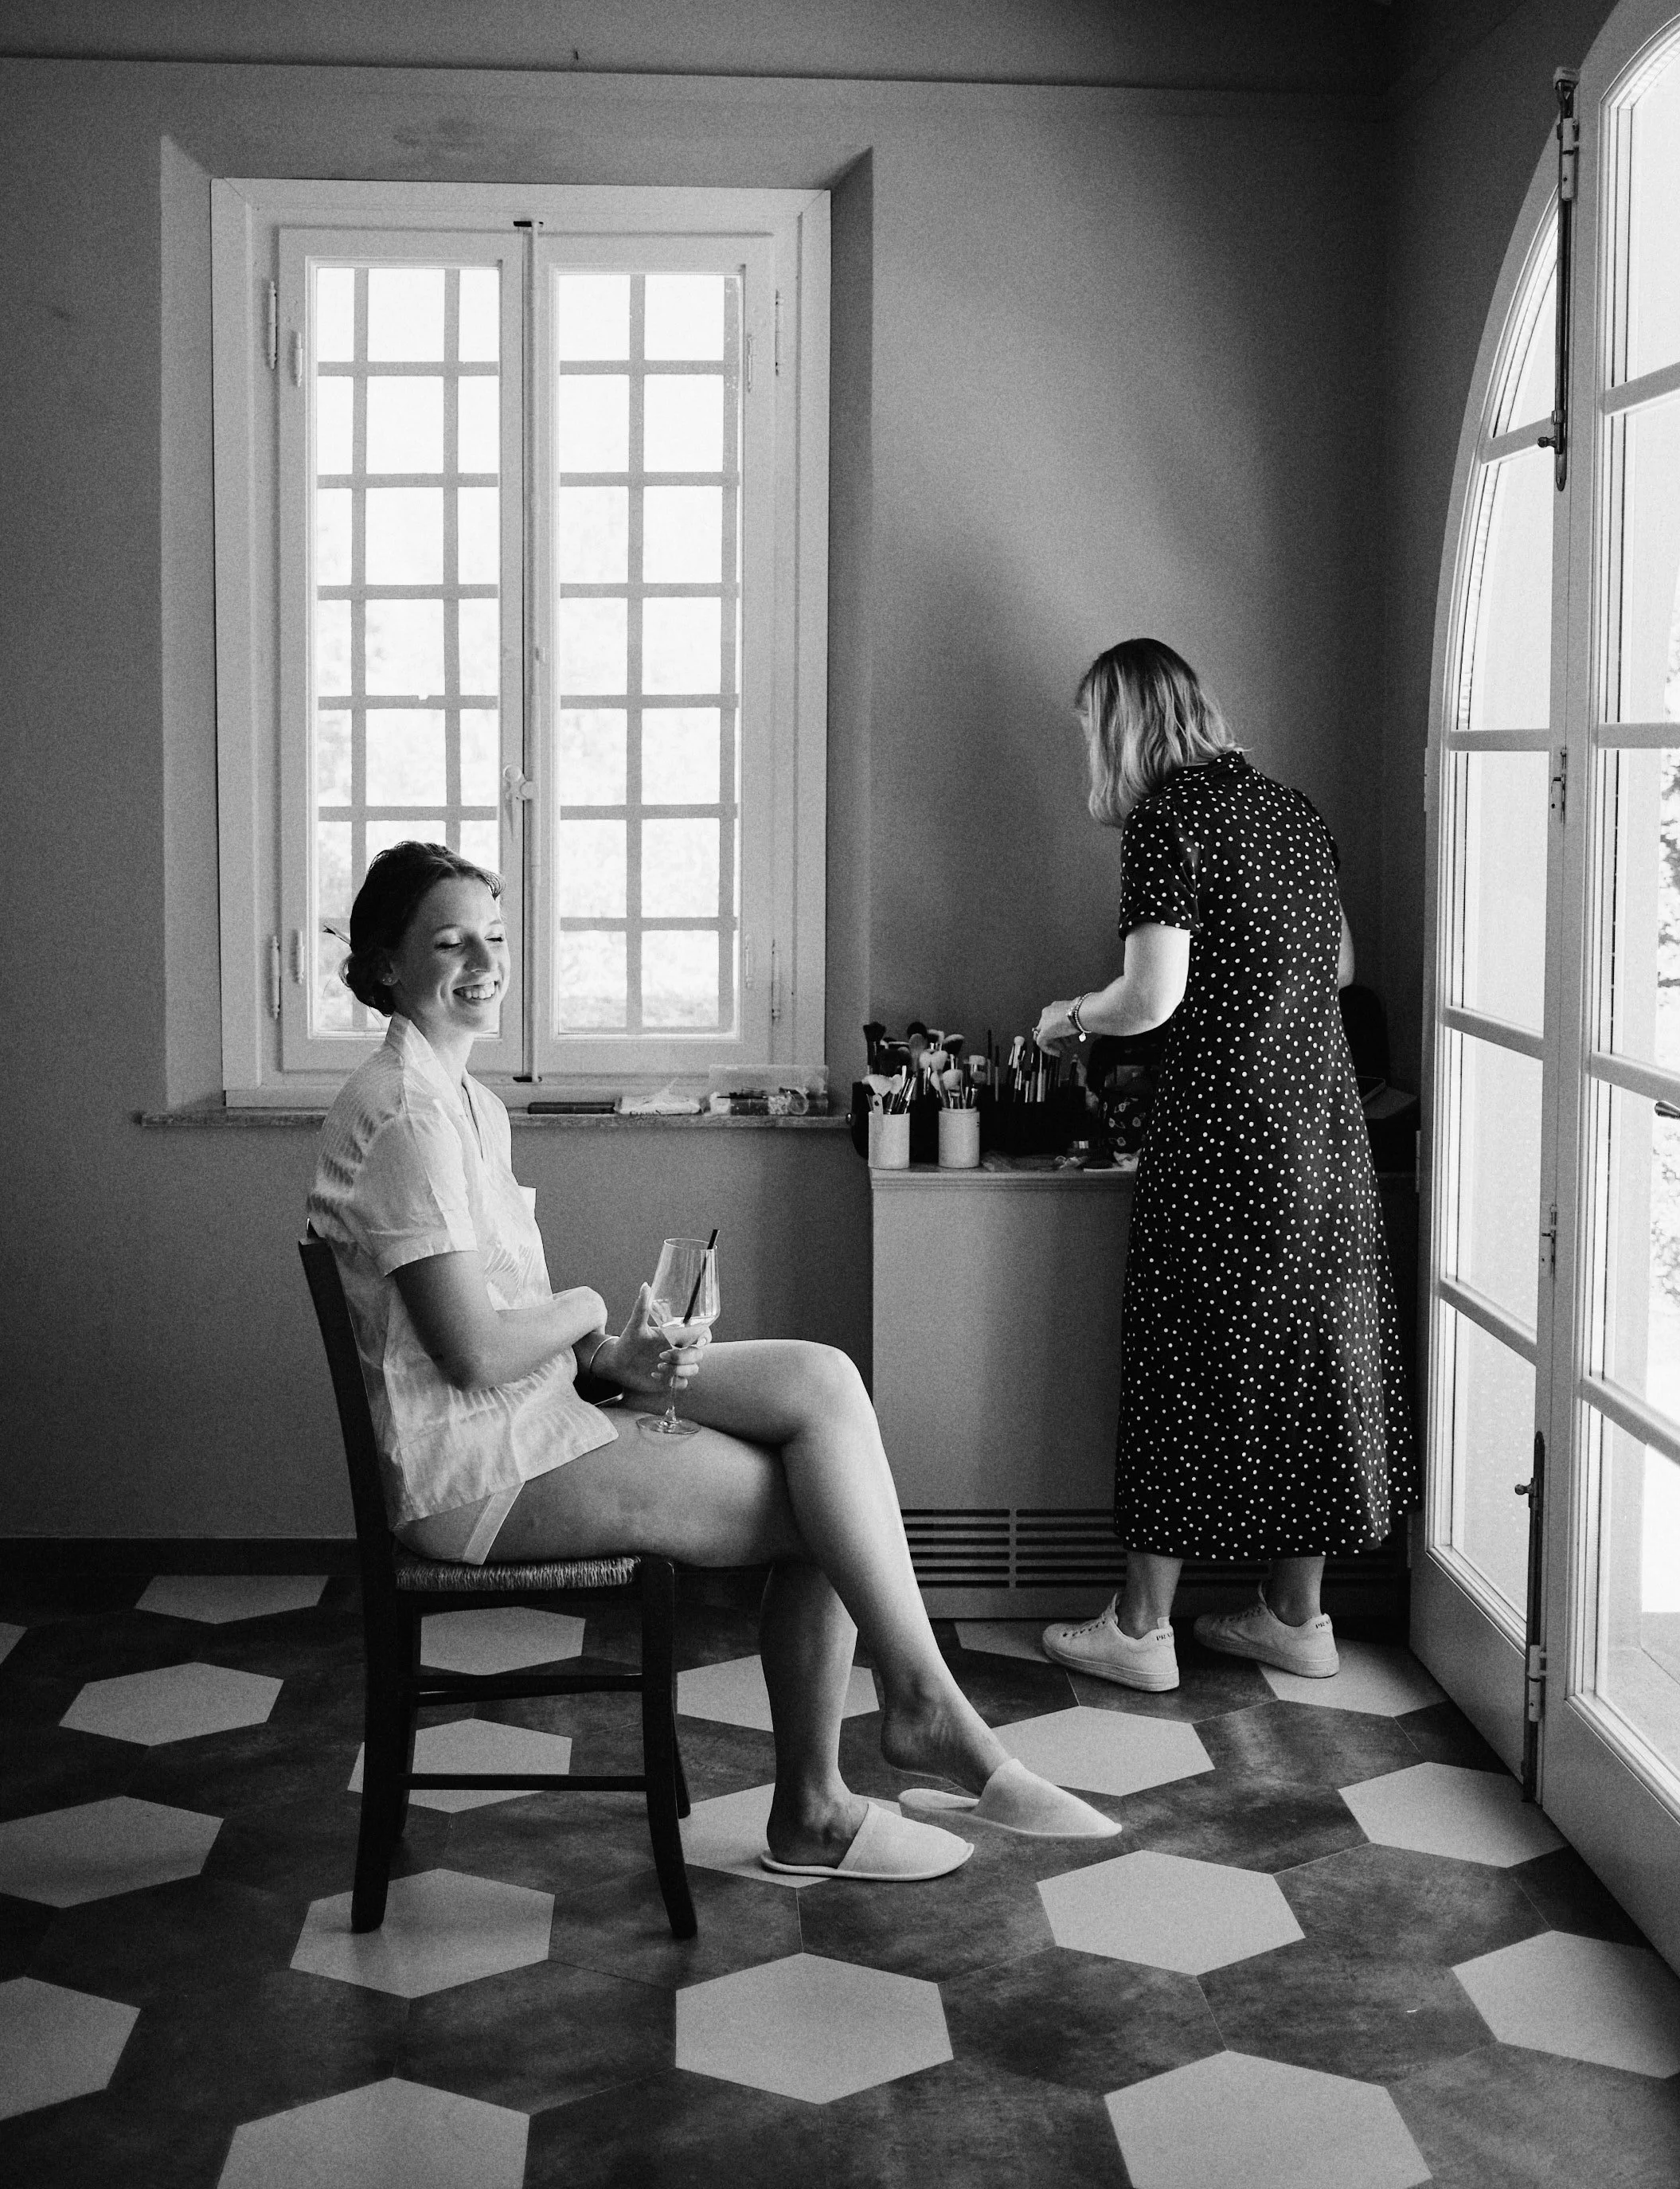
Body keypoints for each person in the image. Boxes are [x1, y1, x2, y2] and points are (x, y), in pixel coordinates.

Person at [309, 841, 1115, 1880]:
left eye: (494, 939)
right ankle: (845, 1782)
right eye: (448, 942)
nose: (482, 962)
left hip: (529, 1413)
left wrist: (617, 1357)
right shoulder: (408, 1116)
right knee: (823, 1511)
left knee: (822, 1380)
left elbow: (497, 1330)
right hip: (476, 1473)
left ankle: (906, 1720)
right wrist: (591, 1310)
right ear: (383, 964)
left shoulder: (463, 1104)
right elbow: (470, 1354)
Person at [1033, 639, 1416, 1693]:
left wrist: (1068, 1020)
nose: (1087, 754)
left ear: (1124, 726)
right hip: (1324, 1135)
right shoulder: (1291, 810)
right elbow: (1340, 966)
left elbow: (1150, 999)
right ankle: (1297, 1617)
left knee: (1183, 1360)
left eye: (1089, 731)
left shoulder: (1169, 819)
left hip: (1225, 1138)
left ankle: (1140, 1628)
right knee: (1307, 1364)